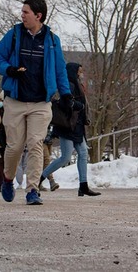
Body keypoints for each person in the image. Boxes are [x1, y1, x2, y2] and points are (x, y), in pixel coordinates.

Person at [0, 0, 72, 205]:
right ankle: (8, 179)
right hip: (15, 101)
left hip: (41, 103)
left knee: (36, 144)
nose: (22, 15)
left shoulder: (52, 41)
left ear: (38, 15)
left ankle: (32, 190)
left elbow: (60, 69)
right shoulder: (15, 34)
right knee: (15, 147)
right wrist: (8, 69)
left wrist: (66, 94)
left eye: (26, 12)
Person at [40, 63, 100, 197]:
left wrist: (84, 115)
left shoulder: (77, 85)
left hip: (77, 126)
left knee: (83, 153)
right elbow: (64, 103)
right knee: (65, 157)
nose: (81, 74)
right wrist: (77, 105)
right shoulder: (68, 85)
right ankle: (40, 178)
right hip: (68, 126)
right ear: (73, 72)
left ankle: (83, 185)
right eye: (79, 71)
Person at [39, 125, 59, 192]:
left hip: (49, 141)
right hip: (41, 140)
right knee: (46, 160)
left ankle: (39, 183)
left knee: (43, 162)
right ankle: (51, 181)